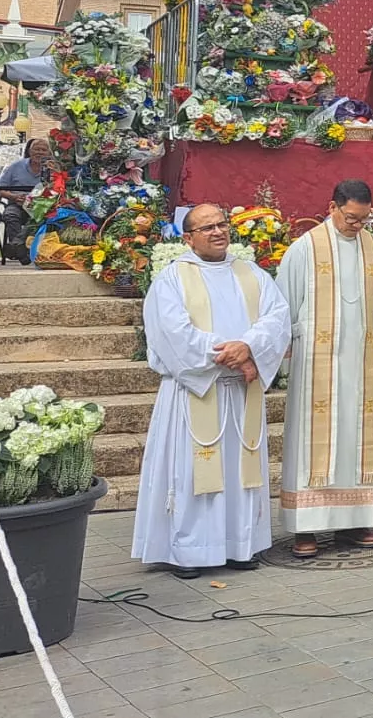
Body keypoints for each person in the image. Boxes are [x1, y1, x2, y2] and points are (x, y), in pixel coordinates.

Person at [131, 203, 290, 578]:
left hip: (240, 391)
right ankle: (189, 551)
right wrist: (234, 353)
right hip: (195, 391)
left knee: (240, 470)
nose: (218, 232)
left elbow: (277, 319)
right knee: (190, 472)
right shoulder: (172, 278)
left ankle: (239, 545)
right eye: (207, 228)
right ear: (188, 238)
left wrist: (249, 346)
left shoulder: (251, 273)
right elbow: (172, 334)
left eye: (222, 224)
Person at [275, 180, 373, 558]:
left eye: (364, 219)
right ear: (333, 207)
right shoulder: (305, 248)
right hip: (315, 365)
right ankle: (305, 528)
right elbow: (284, 307)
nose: (358, 226)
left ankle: (355, 521)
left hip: (359, 362)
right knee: (312, 443)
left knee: (354, 439)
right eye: (351, 218)